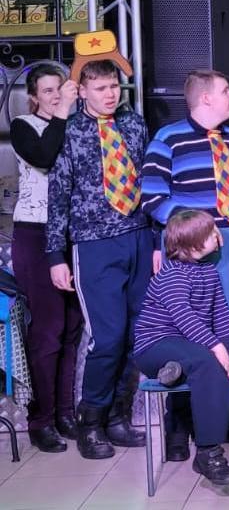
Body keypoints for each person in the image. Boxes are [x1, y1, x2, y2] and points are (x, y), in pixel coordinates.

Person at [46, 59, 152, 459]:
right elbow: (59, 195)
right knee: (107, 337)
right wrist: (56, 255)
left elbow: (147, 180)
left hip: (138, 236)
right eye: (101, 88)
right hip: (94, 243)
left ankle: (117, 417)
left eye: (114, 87)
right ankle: (91, 420)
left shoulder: (134, 124)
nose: (110, 94)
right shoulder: (70, 132)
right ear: (82, 92)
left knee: (136, 334)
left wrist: (156, 240)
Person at [132, 210, 229, 484]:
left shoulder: (208, 272)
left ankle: (177, 372)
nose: (217, 235)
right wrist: (217, 348)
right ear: (192, 246)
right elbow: (184, 317)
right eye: (210, 233)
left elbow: (220, 317)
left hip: (191, 348)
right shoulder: (172, 275)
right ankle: (208, 452)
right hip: (156, 345)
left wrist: (228, 346)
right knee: (207, 360)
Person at [141, 69, 229, 324]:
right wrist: (199, 228)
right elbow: (152, 198)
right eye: (225, 91)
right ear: (206, 98)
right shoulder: (168, 139)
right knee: (188, 325)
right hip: (187, 251)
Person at [12, 63, 81, 452]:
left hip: (71, 235)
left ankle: (65, 413)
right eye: (49, 91)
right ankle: (41, 419)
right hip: (35, 234)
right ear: (34, 97)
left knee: (71, 328)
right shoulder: (25, 126)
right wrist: (63, 113)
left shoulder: (74, 126)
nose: (57, 96)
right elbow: (43, 156)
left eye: (61, 89)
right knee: (48, 328)